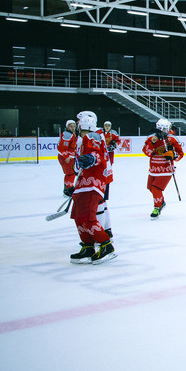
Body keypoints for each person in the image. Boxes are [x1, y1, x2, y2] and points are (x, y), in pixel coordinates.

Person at [68, 111, 116, 264]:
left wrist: (91, 158)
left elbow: (97, 156)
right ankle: (88, 246)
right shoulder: (81, 140)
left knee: (88, 217)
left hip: (93, 183)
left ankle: (106, 245)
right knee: (78, 217)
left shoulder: (92, 136)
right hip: (83, 183)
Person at [142, 118, 184, 219]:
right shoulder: (151, 138)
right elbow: (146, 152)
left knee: (156, 189)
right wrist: (152, 143)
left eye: (165, 129)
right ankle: (161, 202)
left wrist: (173, 155)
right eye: (160, 129)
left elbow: (180, 154)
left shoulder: (172, 139)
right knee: (150, 188)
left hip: (166, 169)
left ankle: (157, 207)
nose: (162, 131)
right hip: (153, 169)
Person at [57, 119, 78, 196]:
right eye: (71, 126)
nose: (73, 128)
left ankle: (67, 189)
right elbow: (61, 148)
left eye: (74, 126)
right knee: (70, 174)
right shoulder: (67, 135)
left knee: (70, 173)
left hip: (69, 157)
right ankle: (68, 189)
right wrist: (67, 156)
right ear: (67, 127)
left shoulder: (71, 134)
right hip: (66, 158)